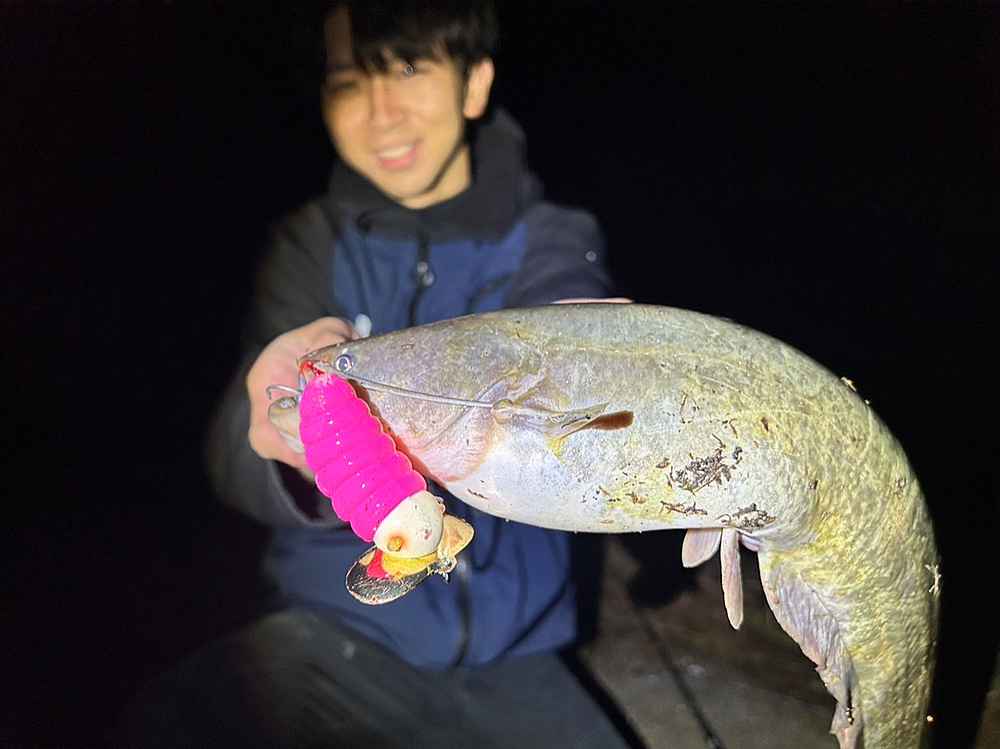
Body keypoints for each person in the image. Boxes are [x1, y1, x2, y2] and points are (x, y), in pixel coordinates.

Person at [121, 2, 632, 747]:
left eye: (409, 68)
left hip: (517, 653)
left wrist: (601, 362)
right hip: (337, 636)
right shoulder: (308, 244)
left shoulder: (553, 237)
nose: (380, 113)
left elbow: (573, 325)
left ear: (474, 83)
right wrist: (276, 438)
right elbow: (233, 449)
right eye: (348, 82)